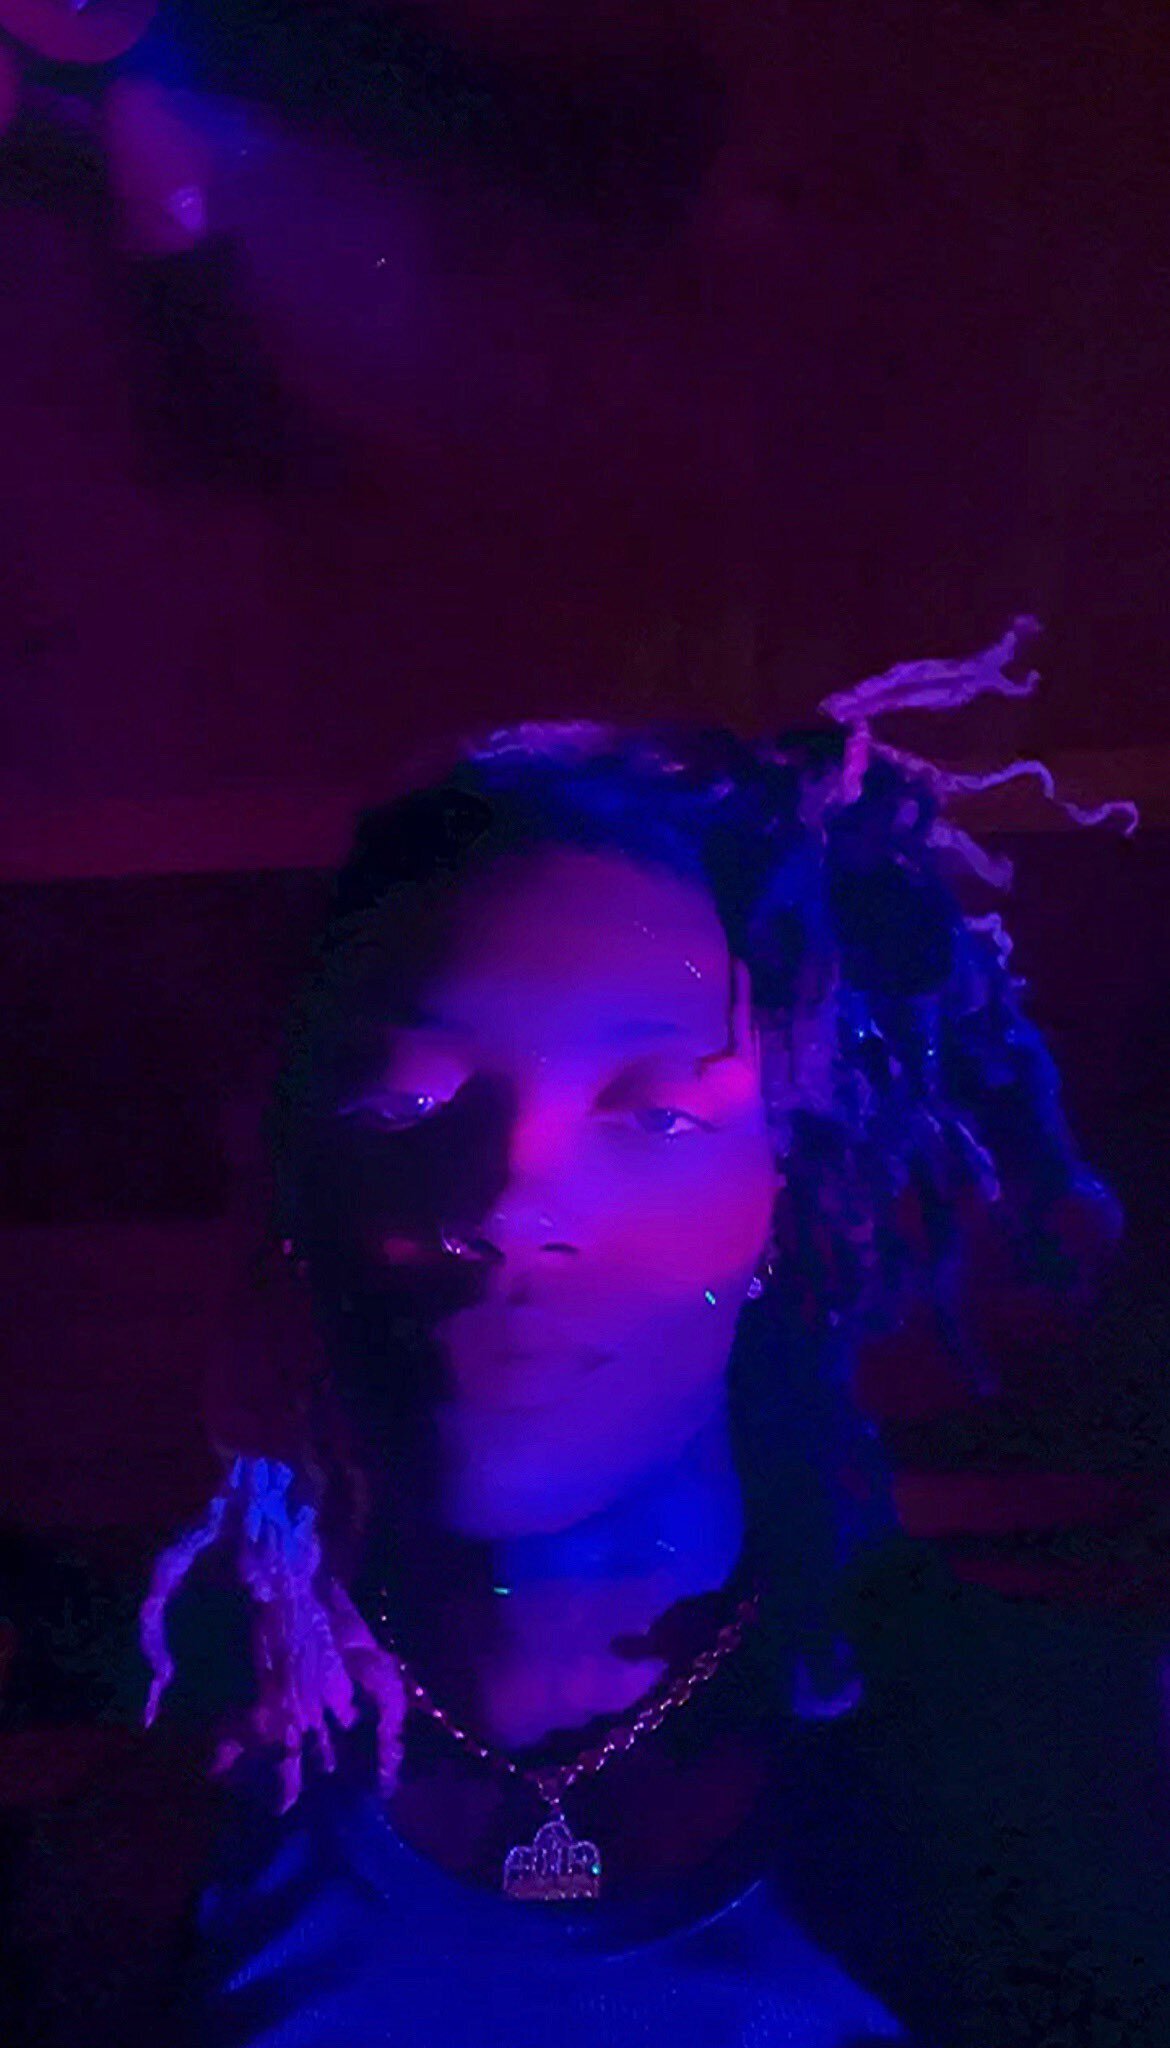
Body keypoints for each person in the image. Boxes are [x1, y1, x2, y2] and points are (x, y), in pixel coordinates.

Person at [138, 617, 1166, 2047]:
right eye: (402, 1101)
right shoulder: (140, 1858)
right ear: (290, 1178)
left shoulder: (1098, 1774)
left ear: (790, 1199)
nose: (505, 1204)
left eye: (656, 1115)